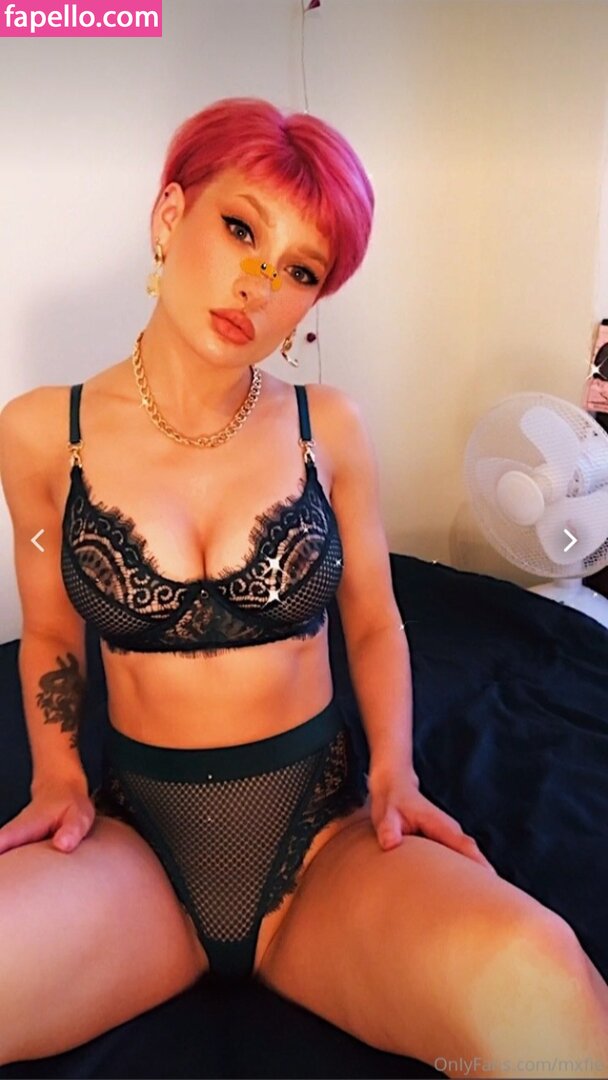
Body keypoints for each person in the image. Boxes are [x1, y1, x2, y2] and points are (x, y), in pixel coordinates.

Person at [0, 97, 607, 1078]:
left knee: (548, 984)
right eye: (241, 229)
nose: (257, 284)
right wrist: (57, 776)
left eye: (299, 271)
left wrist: (395, 772)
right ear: (169, 216)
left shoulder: (331, 429)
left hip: (319, 846)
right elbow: (49, 635)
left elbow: (373, 622)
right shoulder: (40, 433)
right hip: (137, 853)